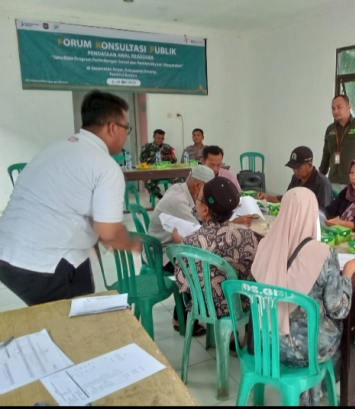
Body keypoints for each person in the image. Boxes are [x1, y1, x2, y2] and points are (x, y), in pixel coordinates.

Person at [0, 90, 141, 306]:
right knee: (76, 318)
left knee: (76, 291)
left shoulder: (54, 149)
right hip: (44, 262)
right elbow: (109, 231)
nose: (127, 135)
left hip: (7, 251)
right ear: (113, 128)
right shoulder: (105, 166)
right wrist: (133, 243)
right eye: (127, 129)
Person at [251, 187, 355, 406]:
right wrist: (348, 273)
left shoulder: (265, 245)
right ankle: (318, 388)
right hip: (306, 352)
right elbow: (339, 309)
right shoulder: (323, 252)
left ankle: (304, 391)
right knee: (343, 331)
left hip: (266, 342)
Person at [172, 177, 258, 320]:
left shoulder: (192, 241)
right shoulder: (247, 234)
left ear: (205, 209)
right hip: (241, 302)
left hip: (205, 305)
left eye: (197, 198)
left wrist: (179, 246)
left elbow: (184, 283)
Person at [148, 165, 215, 269]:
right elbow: (199, 236)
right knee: (208, 265)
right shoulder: (178, 202)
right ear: (197, 186)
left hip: (169, 246)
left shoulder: (179, 187)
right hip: (163, 254)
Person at [256, 146, 332, 209]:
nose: (295, 171)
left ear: (309, 165)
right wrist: (267, 197)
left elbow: (323, 212)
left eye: (299, 168)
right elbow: (287, 199)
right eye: (293, 168)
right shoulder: (296, 177)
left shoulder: (322, 183)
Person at [201, 145, 254, 226]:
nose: (215, 169)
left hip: (231, 215)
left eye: (219, 165)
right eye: (211, 165)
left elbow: (239, 195)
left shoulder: (229, 176)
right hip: (206, 219)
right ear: (203, 161)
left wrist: (236, 201)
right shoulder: (197, 179)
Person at [139, 129, 178, 200]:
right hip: (153, 173)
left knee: (180, 179)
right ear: (154, 137)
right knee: (148, 182)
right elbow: (142, 161)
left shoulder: (167, 147)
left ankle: (176, 198)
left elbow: (174, 160)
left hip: (167, 172)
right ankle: (161, 197)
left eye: (162, 138)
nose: (160, 140)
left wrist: (169, 157)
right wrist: (155, 158)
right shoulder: (147, 147)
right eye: (158, 138)